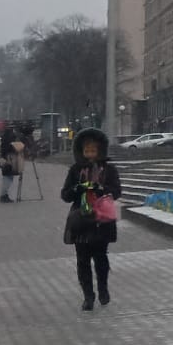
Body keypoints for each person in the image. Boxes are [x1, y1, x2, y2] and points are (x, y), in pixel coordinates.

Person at [59, 129, 122, 311]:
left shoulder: (109, 169)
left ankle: (103, 288)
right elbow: (65, 195)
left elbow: (117, 192)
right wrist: (78, 189)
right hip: (81, 220)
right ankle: (88, 296)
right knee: (82, 260)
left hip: (101, 221)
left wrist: (101, 189)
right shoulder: (75, 170)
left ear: (100, 150)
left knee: (101, 258)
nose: (90, 155)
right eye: (87, 151)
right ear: (81, 151)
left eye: (93, 151)